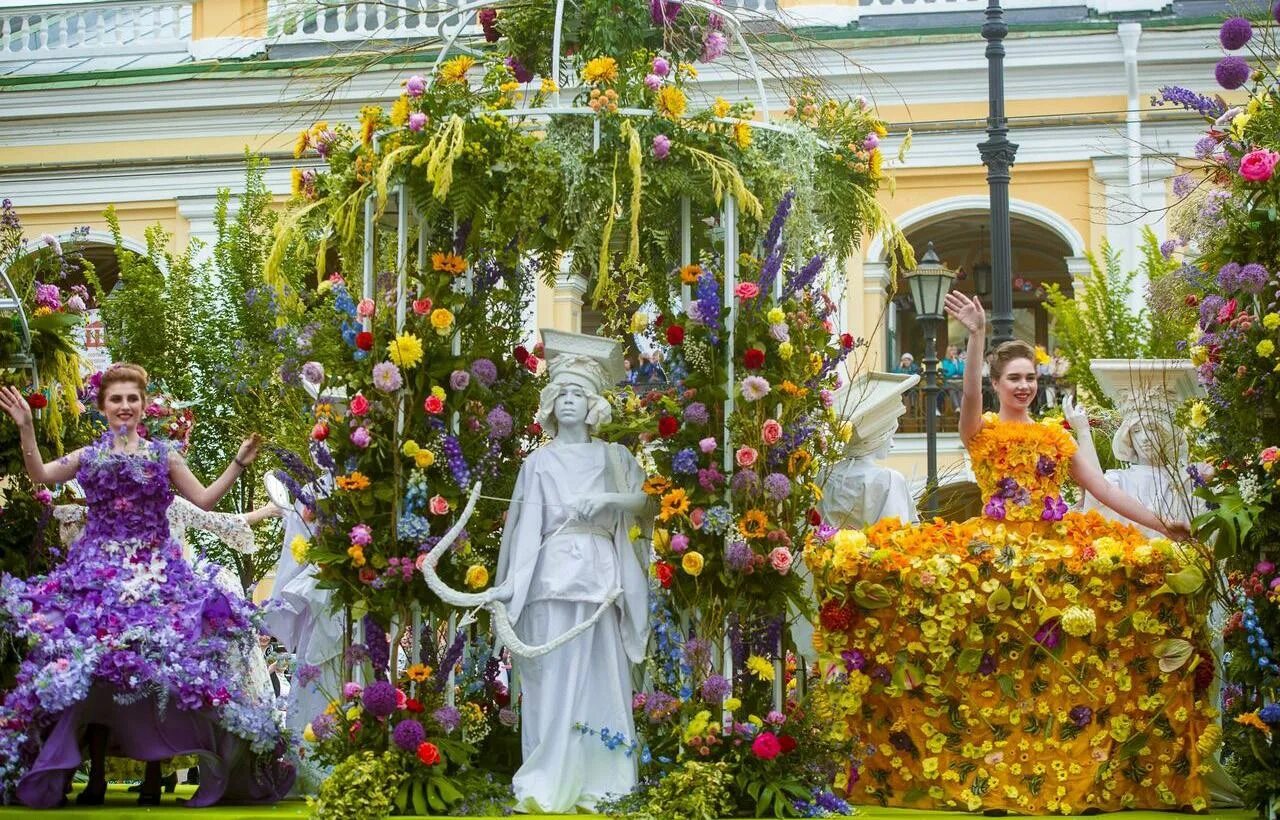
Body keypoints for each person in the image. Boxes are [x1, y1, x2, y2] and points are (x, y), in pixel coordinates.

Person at [0, 364, 294, 807]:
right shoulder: (88, 456)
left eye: (131, 399)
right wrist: (26, 428)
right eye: (115, 399)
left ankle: (158, 771)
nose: (124, 406)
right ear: (103, 407)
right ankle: (90, 771)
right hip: (96, 577)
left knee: (166, 668)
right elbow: (40, 474)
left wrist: (237, 463)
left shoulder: (165, 456)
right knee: (90, 667)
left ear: (142, 406)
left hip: (158, 574)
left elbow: (205, 499)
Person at [489, 330, 651, 813]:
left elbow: (646, 503)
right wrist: (511, 587)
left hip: (601, 576)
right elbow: (524, 531)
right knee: (551, 678)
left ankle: (605, 773)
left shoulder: (615, 457)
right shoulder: (538, 464)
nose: (569, 403)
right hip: (550, 578)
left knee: (603, 673)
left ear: (595, 403)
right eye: (562, 394)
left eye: (578, 393)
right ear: (550, 404)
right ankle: (549, 773)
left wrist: (607, 499)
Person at [941, 294, 1188, 539]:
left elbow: (1104, 489)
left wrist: (1162, 524)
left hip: (1051, 549)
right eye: (1014, 378)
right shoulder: (981, 431)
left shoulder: (1055, 438)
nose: (1024, 386)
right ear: (995, 383)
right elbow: (972, 394)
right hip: (998, 546)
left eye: (1030, 378)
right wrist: (977, 334)